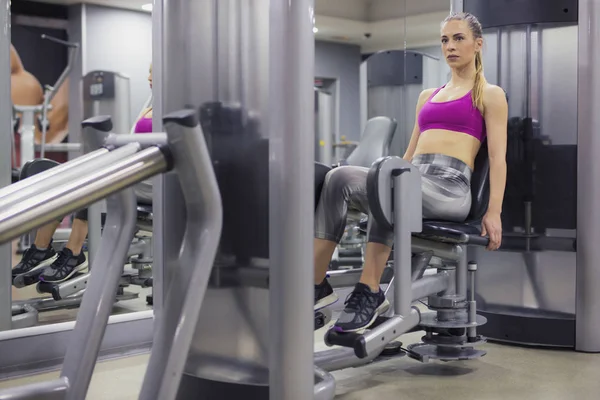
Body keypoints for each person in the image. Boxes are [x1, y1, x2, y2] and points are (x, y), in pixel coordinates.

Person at [313, 12, 508, 333]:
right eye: (445, 39)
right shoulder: (426, 97)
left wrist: (494, 211)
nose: (450, 46)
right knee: (339, 177)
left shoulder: (488, 94)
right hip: (412, 177)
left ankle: (369, 290)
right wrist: (388, 173)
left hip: (450, 188)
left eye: (459, 38)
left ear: (478, 44)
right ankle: (316, 284)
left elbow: (499, 158)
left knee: (388, 186)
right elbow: (409, 154)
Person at [12, 64, 155, 285]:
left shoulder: (171, 107)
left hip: (153, 180)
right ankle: (41, 248)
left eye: (154, 72)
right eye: (148, 71)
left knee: (90, 181)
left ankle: (74, 251)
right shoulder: (150, 106)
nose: (148, 76)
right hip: (135, 173)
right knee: (58, 180)